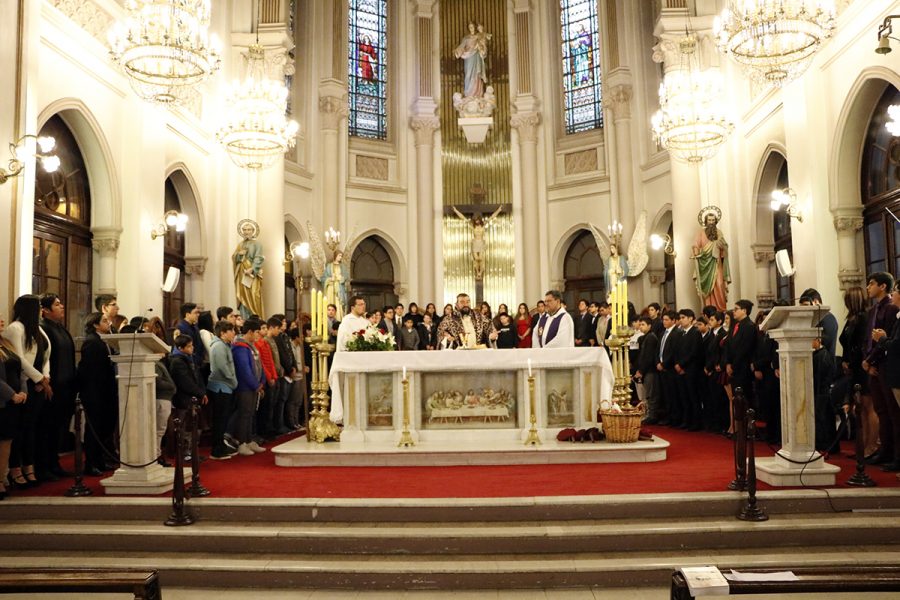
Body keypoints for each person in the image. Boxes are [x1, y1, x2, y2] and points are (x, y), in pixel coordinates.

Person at [1, 295, 52, 487]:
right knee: (19, 430)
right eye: (38, 306)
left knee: (31, 429)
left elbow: (46, 355)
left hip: (38, 384)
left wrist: (45, 377)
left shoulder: (38, 329)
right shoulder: (15, 328)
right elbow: (19, 358)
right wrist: (38, 378)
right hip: (23, 384)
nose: (41, 309)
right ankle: (15, 470)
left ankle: (29, 467)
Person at [863, 272, 900, 471]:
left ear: (883, 286)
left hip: (885, 366)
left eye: (871, 284)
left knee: (892, 412)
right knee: (882, 411)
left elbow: (888, 340)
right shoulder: (873, 310)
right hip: (874, 366)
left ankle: (894, 454)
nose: (868, 287)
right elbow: (868, 338)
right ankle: (884, 450)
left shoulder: (892, 308)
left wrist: (872, 361)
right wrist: (866, 360)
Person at [39, 294, 76, 479]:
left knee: (58, 428)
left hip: (66, 387)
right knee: (47, 428)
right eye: (57, 304)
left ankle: (54, 463)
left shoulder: (60, 328)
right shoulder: (43, 329)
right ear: (45, 310)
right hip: (52, 386)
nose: (61, 306)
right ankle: (44, 466)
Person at [77, 312, 117, 476]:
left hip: (106, 391)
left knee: (104, 428)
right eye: (105, 321)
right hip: (95, 392)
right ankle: (91, 463)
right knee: (94, 429)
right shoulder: (92, 342)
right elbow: (89, 370)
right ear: (95, 325)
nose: (109, 323)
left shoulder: (105, 341)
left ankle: (100, 460)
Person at [838, 286, 875, 455]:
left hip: (861, 366)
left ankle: (871, 445)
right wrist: (846, 361)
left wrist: (854, 362)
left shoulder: (863, 318)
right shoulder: (851, 318)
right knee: (859, 409)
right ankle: (862, 445)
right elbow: (847, 343)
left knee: (868, 407)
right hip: (853, 366)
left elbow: (862, 344)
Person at [0, 316, 27, 496]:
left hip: (15, 401)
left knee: (7, 442)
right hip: (3, 401)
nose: (2, 321)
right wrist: (11, 395)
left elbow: (20, 370)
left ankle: (3, 477)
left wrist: (23, 391)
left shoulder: (6, 343)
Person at [232, 319, 266, 456]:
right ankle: (242, 442)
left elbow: (259, 365)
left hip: (255, 386)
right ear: (250, 331)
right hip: (245, 387)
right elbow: (244, 370)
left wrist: (261, 381)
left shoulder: (252, 346)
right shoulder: (240, 347)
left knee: (251, 414)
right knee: (244, 414)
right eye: (257, 332)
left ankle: (250, 439)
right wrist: (255, 384)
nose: (258, 335)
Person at [207, 320, 238, 460]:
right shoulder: (219, 346)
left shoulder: (224, 345)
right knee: (219, 420)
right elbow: (222, 367)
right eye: (231, 331)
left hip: (225, 386)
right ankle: (217, 450)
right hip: (220, 386)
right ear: (222, 333)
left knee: (223, 419)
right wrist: (233, 380)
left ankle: (220, 445)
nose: (234, 333)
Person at [692, 206, 731, 312]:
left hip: (716, 263)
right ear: (705, 221)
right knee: (707, 289)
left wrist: (721, 246)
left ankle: (721, 309)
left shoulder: (719, 233)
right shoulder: (700, 233)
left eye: (713, 220)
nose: (711, 222)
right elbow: (695, 244)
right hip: (705, 263)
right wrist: (696, 253)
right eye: (709, 220)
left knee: (719, 284)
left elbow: (725, 245)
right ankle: (709, 310)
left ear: (716, 221)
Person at [726, 299, 758, 407]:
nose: (733, 312)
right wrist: (728, 363)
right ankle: (738, 423)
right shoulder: (736, 326)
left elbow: (744, 349)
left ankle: (747, 423)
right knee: (736, 399)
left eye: (736, 309)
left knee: (745, 399)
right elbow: (729, 346)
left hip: (743, 368)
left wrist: (733, 365)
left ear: (744, 310)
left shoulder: (749, 326)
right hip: (734, 367)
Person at [674, 309, 702, 430]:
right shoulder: (681, 333)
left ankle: (695, 422)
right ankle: (686, 420)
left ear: (690, 319)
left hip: (690, 369)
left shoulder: (695, 333)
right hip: (680, 369)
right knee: (683, 396)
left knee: (692, 396)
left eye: (683, 317)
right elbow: (676, 350)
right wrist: (677, 364)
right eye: (680, 317)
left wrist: (682, 365)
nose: (681, 320)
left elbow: (694, 352)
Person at [233, 219, 265, 320]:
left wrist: (252, 269)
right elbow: (234, 257)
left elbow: (259, 257)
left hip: (251, 274)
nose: (247, 232)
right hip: (242, 273)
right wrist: (238, 255)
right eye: (245, 230)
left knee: (254, 295)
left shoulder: (257, 244)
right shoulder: (240, 245)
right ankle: (244, 318)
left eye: (249, 229)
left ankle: (255, 317)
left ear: (253, 231)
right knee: (243, 297)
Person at [656, 310, 682, 426]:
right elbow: (659, 349)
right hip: (662, 367)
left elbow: (674, 351)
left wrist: (664, 364)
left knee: (673, 395)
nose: (664, 322)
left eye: (667, 320)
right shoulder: (662, 333)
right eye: (663, 320)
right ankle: (669, 416)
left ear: (674, 321)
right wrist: (658, 362)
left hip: (670, 368)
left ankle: (675, 418)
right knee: (666, 395)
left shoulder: (677, 333)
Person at [634, 316, 660, 423]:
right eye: (640, 324)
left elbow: (648, 357)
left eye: (643, 324)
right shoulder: (645, 337)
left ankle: (652, 415)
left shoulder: (651, 337)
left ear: (649, 326)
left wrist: (641, 371)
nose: (640, 327)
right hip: (646, 370)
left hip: (650, 370)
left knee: (651, 394)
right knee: (648, 393)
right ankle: (649, 414)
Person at [800, 288, 838, 359]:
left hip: (824, 363)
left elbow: (818, 344)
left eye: (806, 305)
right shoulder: (817, 318)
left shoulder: (827, 318)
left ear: (816, 302)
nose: (804, 310)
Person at [454, 21, 489, 98]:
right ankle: (469, 93)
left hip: (476, 58)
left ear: (474, 27)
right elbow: (462, 47)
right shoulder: (466, 38)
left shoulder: (478, 37)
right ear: (468, 28)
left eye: (472, 27)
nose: (471, 28)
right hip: (468, 58)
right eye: (470, 27)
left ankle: (477, 93)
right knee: (468, 74)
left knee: (476, 74)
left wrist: (481, 46)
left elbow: (483, 46)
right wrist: (457, 51)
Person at [175, 303, 205, 372]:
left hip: (198, 363)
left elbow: (199, 344)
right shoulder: (181, 328)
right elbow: (182, 348)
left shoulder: (195, 326)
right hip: (189, 364)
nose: (198, 315)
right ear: (187, 314)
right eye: (195, 313)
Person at [321, 252, 348, 320]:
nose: (340, 257)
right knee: (330, 301)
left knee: (338, 302)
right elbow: (323, 278)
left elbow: (346, 277)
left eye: (341, 256)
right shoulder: (329, 266)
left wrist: (341, 278)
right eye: (339, 255)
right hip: (331, 287)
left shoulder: (342, 266)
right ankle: (328, 319)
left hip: (339, 288)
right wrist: (330, 279)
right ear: (335, 256)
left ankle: (339, 318)